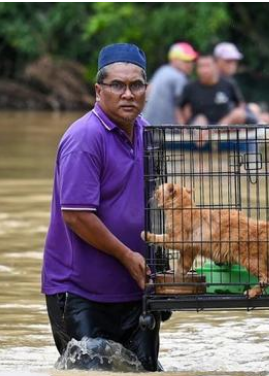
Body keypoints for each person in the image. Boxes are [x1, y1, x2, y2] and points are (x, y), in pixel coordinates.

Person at [41, 43, 162, 371]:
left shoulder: (149, 134)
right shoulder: (85, 138)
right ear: (98, 90)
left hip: (135, 288)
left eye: (136, 85)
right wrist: (126, 255)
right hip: (82, 292)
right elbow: (76, 215)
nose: (128, 94)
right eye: (117, 85)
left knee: (145, 370)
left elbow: (158, 206)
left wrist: (162, 268)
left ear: (146, 89)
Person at [214, 42, 269, 124]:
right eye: (228, 61)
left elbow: (239, 105)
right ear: (217, 61)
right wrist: (257, 119)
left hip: (231, 116)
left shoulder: (230, 81)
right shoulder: (215, 80)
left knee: (254, 108)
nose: (232, 65)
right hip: (220, 121)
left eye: (234, 61)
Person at [142, 42, 198, 125]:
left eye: (191, 61)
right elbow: (180, 108)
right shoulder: (179, 77)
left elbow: (147, 91)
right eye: (185, 61)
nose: (190, 64)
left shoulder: (162, 70)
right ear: (173, 60)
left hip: (147, 125)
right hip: (167, 131)